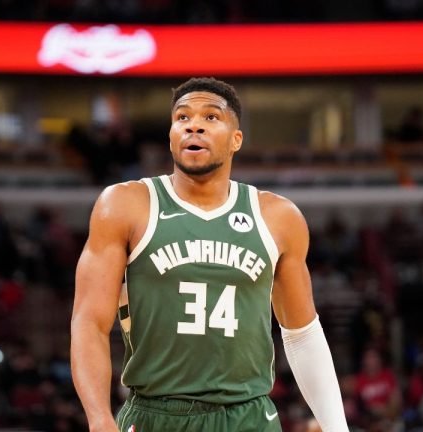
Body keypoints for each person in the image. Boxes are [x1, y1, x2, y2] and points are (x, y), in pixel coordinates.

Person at [71, 77, 348, 431]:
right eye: (182, 117)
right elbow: (89, 322)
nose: (194, 124)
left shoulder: (277, 216)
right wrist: (98, 418)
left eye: (211, 117)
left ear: (236, 140)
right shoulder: (125, 205)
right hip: (155, 413)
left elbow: (302, 334)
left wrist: (337, 427)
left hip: (248, 415)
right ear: (171, 137)